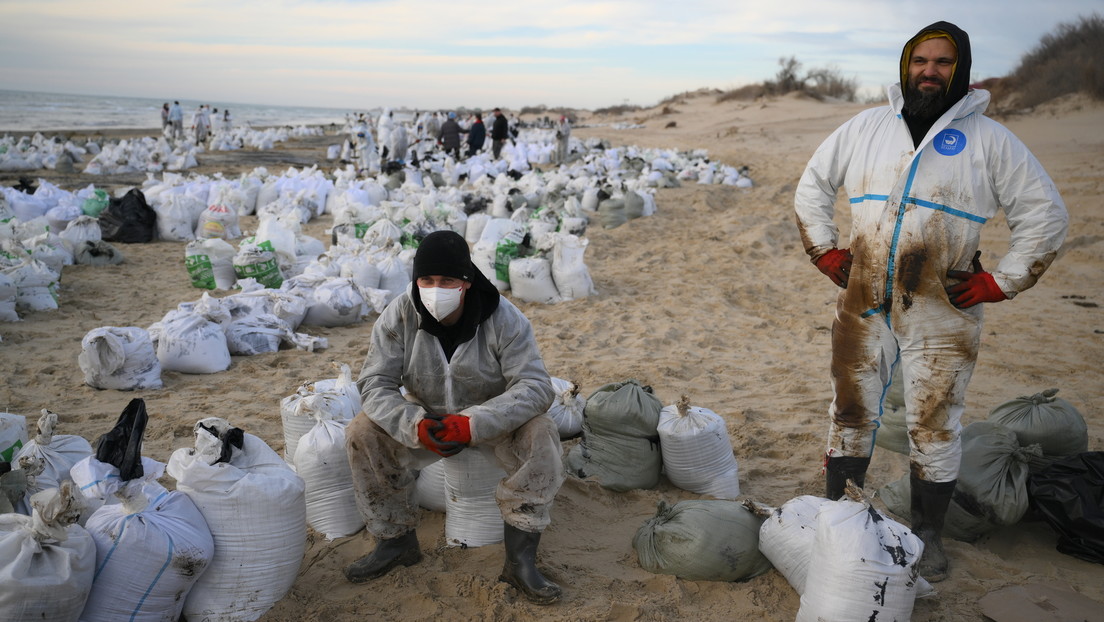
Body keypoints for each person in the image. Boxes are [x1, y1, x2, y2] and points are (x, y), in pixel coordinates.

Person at [794, 21, 1068, 583]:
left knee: (935, 424)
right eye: (921, 61)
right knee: (849, 413)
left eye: (943, 63)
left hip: (945, 309)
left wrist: (1003, 282)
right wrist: (823, 251)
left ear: (960, 69)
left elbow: (1045, 216)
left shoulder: (991, 141)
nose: (929, 72)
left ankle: (928, 535)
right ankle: (841, 515)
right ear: (905, 65)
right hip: (863, 301)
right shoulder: (867, 127)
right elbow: (812, 185)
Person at [344, 230, 565, 605]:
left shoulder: (504, 318)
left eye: (447, 281)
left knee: (542, 431)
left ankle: (520, 560)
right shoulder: (399, 314)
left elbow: (535, 386)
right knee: (361, 430)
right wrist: (414, 423)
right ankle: (395, 541)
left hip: (494, 418)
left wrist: (475, 422)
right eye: (426, 280)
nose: (435, 289)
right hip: (426, 416)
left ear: (466, 282)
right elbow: (375, 383)